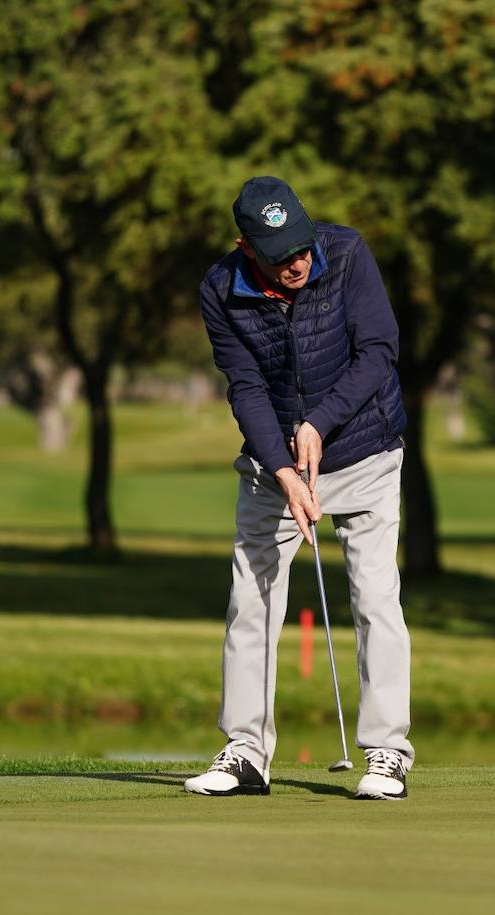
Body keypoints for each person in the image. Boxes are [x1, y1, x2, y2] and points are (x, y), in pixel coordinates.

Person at [184, 176, 414, 800]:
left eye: (303, 247)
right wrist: (284, 471)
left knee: (374, 598)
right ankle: (246, 752)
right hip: (273, 464)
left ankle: (387, 751)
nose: (299, 262)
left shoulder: (346, 254)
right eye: (283, 254)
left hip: (366, 448)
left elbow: (378, 351)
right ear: (246, 247)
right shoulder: (219, 290)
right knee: (251, 602)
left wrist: (318, 424)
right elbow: (247, 388)